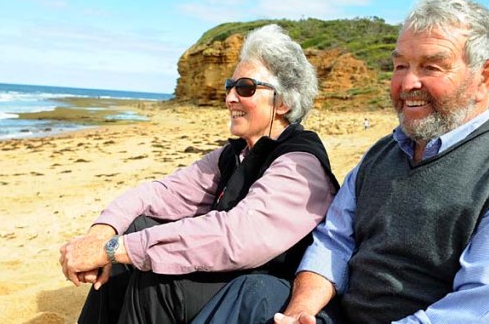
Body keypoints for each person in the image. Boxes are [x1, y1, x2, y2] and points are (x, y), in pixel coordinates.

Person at [192, 0, 489, 324]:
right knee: (252, 292)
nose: (407, 83)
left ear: (485, 77)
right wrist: (301, 311)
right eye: (400, 65)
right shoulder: (382, 154)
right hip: (339, 314)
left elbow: (485, 310)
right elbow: (335, 241)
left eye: (432, 67)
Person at [59, 24, 339, 324]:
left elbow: (236, 236)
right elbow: (159, 194)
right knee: (135, 227)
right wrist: (101, 235)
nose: (231, 97)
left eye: (244, 88)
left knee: (158, 281)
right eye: (230, 86)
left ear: (283, 102)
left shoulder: (300, 164)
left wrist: (116, 250)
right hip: (235, 273)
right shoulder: (235, 155)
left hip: (269, 290)